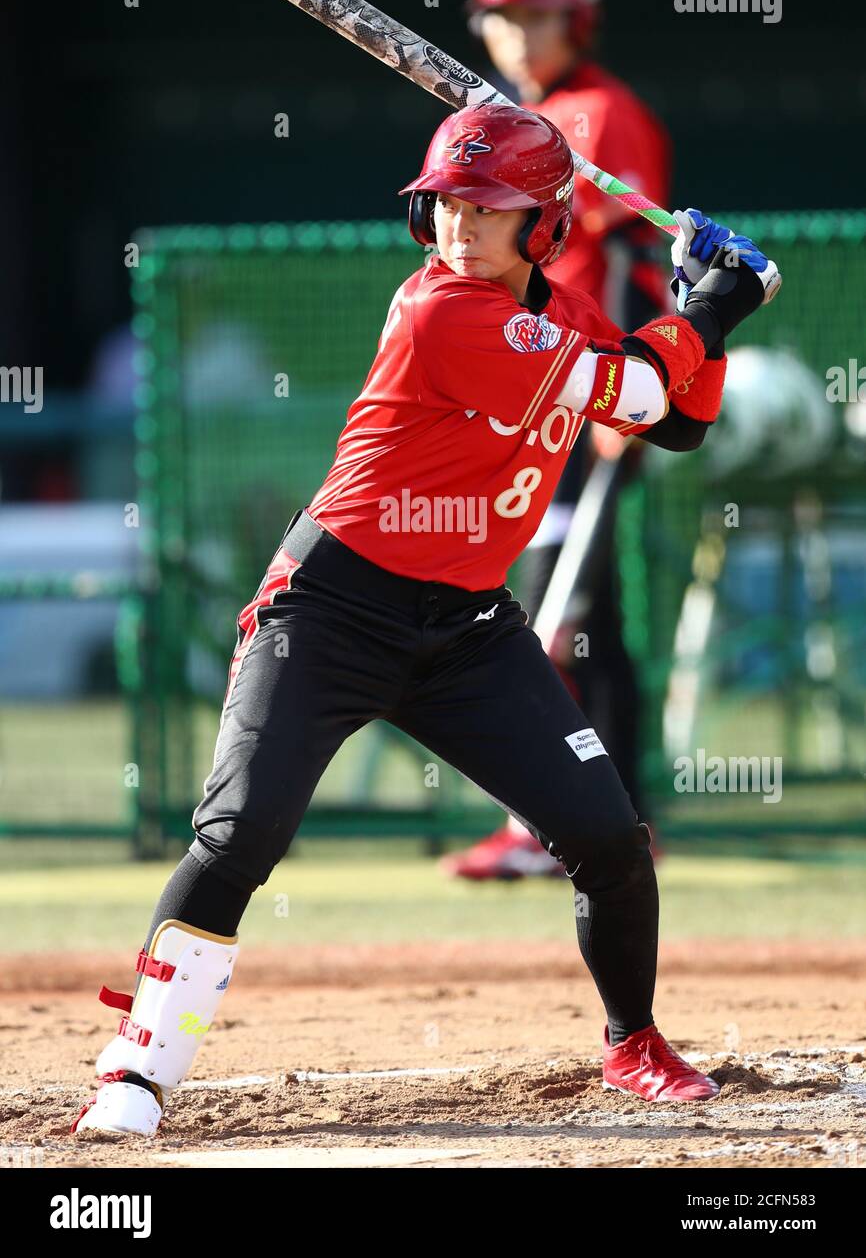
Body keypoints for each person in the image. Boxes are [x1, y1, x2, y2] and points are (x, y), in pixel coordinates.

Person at [72, 102, 774, 1134]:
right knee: (238, 837)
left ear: (543, 226)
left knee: (608, 836)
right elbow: (624, 379)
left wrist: (690, 307)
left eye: (486, 209)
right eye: (445, 203)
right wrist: (718, 303)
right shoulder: (435, 310)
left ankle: (633, 1041)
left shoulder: (565, 313)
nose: (458, 226)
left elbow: (670, 420)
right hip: (328, 611)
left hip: (468, 630)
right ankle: (136, 1068)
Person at [443, 0, 672, 880]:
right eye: (503, 18)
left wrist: (625, 396)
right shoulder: (515, 117)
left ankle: (567, 826)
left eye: (536, 16)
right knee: (558, 611)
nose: (519, 36)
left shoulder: (602, 113)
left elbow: (627, 260)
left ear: (575, 20)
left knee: (560, 613)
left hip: (585, 395)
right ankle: (601, 823)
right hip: (524, 400)